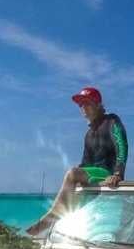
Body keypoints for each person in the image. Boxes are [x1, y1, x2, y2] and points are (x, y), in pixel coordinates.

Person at [26, 87, 128, 235]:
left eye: (87, 103)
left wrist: (118, 173)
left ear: (98, 105)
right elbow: (85, 164)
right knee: (76, 187)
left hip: (107, 173)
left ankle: (53, 215)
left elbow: (122, 145)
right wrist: (78, 178)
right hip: (94, 177)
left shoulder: (111, 121)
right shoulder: (88, 134)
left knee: (72, 173)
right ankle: (69, 228)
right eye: (80, 105)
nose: (83, 108)